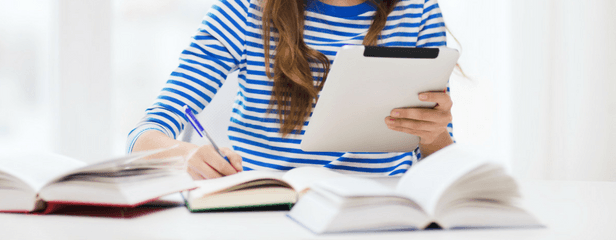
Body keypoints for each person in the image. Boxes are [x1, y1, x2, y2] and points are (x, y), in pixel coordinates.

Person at [128, 0, 455, 180]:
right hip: (269, 212)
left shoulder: (419, 12)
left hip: (380, 215)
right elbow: (143, 135)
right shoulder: (242, 11)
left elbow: (439, 157)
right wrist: (187, 156)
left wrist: (434, 134)